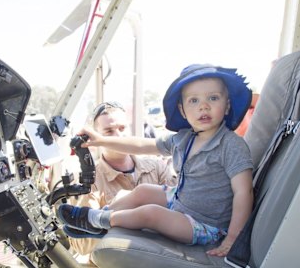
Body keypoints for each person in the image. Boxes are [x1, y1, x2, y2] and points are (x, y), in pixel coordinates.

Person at [57, 64, 254, 257]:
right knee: (143, 191)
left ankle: (101, 218)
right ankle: (98, 221)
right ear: (183, 110)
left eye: (213, 98)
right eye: (193, 100)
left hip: (205, 224)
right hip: (181, 201)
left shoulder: (231, 145)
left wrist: (233, 238)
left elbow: (243, 191)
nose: (204, 105)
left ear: (227, 106)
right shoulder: (182, 139)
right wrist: (100, 140)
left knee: (151, 213)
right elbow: (142, 145)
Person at [64, 101, 177, 256]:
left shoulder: (157, 167)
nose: (118, 136)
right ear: (95, 138)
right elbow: (81, 245)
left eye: (122, 128)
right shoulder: (90, 181)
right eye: (109, 131)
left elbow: (183, 210)